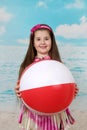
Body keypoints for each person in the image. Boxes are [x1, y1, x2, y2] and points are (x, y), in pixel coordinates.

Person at [15, 24, 79, 130]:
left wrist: (72, 92)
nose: (43, 42)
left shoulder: (58, 66)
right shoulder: (26, 66)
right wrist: (18, 93)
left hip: (54, 113)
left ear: (52, 42)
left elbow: (63, 93)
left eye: (46, 39)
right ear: (33, 43)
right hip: (34, 114)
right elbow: (23, 92)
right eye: (38, 39)